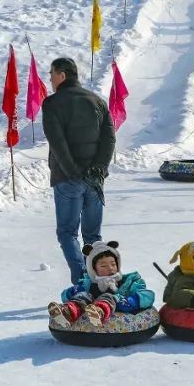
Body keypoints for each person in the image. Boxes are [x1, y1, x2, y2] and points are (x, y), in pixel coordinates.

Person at [42, 57, 116, 285]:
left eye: (52, 73)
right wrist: (100, 168)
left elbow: (57, 142)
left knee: (67, 233)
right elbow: (109, 139)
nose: (50, 79)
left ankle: (82, 280)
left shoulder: (52, 103)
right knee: (93, 235)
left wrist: (72, 170)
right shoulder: (97, 101)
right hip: (94, 180)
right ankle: (100, 281)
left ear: (62, 75)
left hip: (68, 178)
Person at [47, 241, 155, 328]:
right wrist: (72, 292)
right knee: (83, 295)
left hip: (117, 306)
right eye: (104, 266)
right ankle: (67, 313)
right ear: (93, 269)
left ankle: (98, 313)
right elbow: (65, 296)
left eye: (113, 264)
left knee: (108, 296)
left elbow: (148, 295)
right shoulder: (88, 283)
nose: (110, 268)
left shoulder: (129, 281)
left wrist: (131, 301)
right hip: (89, 306)